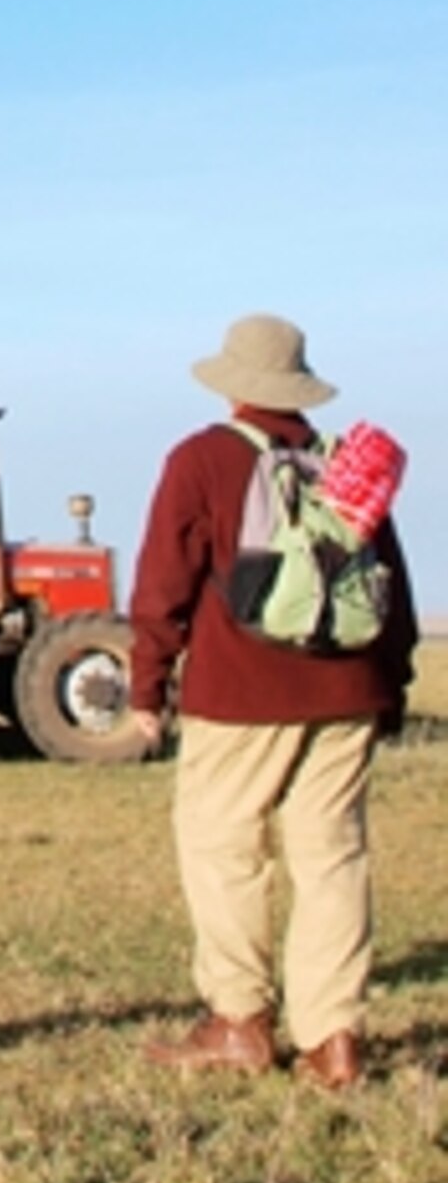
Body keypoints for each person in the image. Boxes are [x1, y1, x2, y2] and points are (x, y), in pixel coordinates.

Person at [130, 313, 418, 1090]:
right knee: (332, 855)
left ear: (232, 386)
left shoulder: (200, 461)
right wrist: (390, 685)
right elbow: (394, 586)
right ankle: (334, 1040)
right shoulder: (343, 466)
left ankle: (240, 1021)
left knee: (223, 847)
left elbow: (163, 583)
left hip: (240, 695)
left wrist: (147, 685)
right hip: (349, 689)